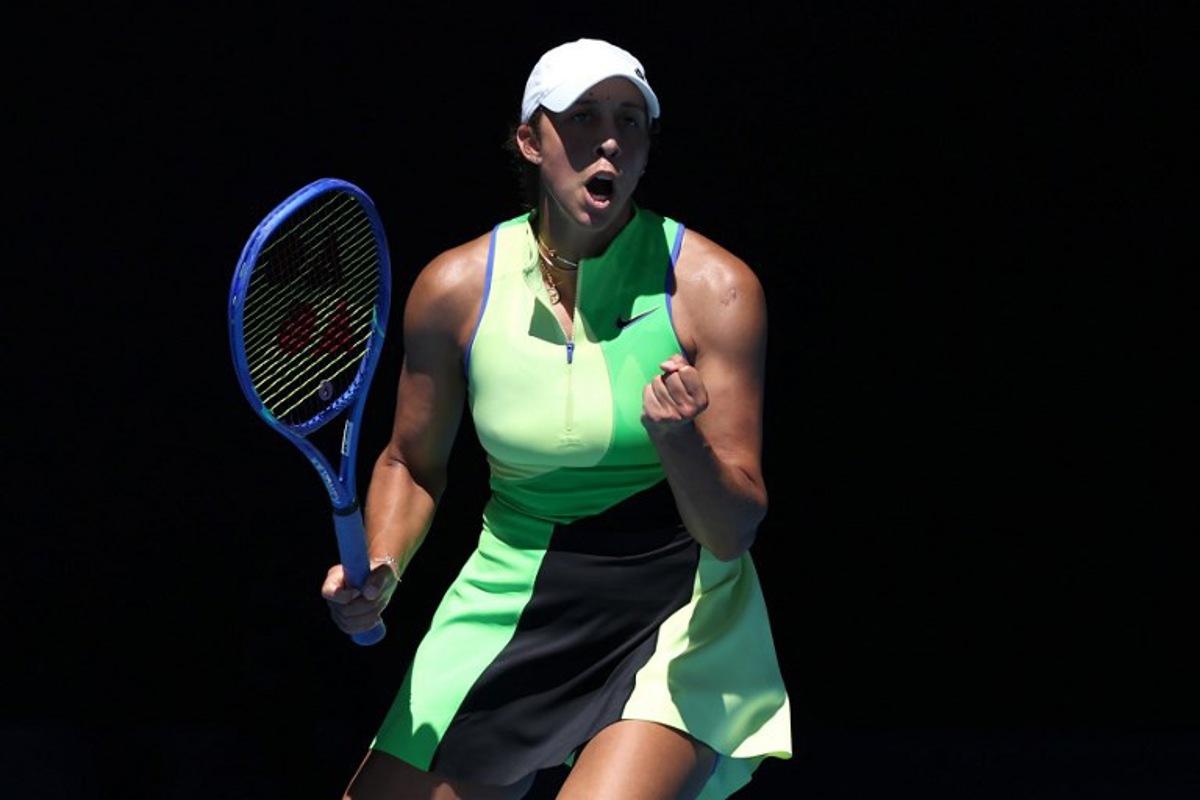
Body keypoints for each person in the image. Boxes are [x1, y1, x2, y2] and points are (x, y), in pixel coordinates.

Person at [323, 38, 792, 799]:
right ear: (529, 140)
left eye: (630, 121)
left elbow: (732, 528)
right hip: (510, 593)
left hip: (675, 601)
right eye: (582, 117)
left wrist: (680, 442)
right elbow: (411, 462)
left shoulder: (714, 289)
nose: (610, 140)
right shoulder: (454, 289)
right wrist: (382, 564)